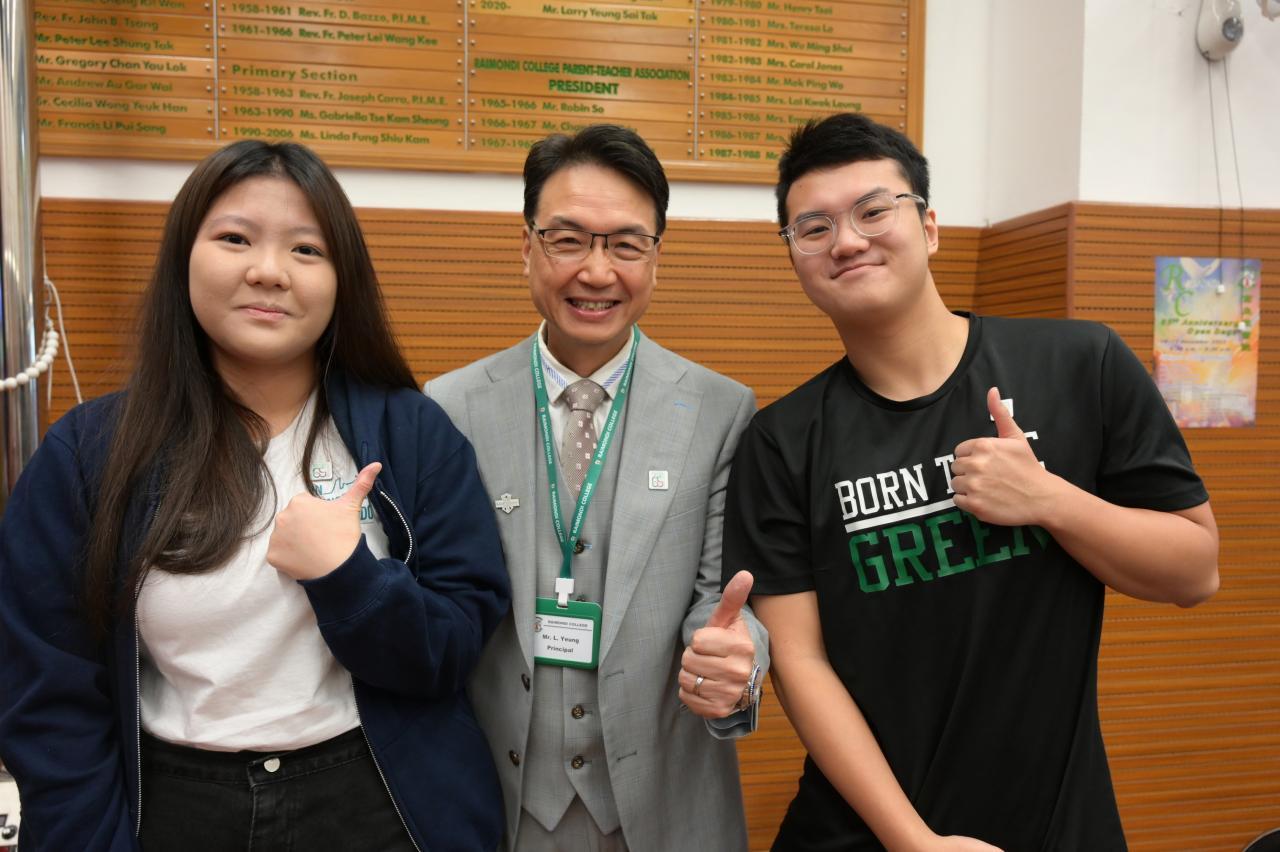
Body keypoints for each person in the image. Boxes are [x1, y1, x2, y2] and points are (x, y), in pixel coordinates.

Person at [724, 112, 1220, 851]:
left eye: (873, 211)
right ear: (795, 256)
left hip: (1055, 824)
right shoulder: (780, 441)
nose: (847, 241)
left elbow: (1195, 571)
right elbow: (800, 661)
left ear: (928, 227)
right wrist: (916, 842)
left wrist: (1050, 499)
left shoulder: (1079, 363)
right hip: (868, 833)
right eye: (814, 228)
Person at [0, 140, 510, 852]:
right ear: (184, 257)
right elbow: (46, 691)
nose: (269, 271)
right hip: (175, 808)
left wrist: (350, 580)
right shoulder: (90, 451)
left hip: (376, 803)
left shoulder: (412, 432)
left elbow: (452, 650)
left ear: (342, 280)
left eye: (307, 250)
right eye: (235, 239)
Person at [425, 124, 768, 852]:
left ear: (656, 257)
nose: (597, 271)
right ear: (527, 247)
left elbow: (722, 600)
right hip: (497, 802)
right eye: (568, 240)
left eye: (626, 245)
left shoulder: (721, 410)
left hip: (663, 804)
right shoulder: (450, 407)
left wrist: (735, 663)